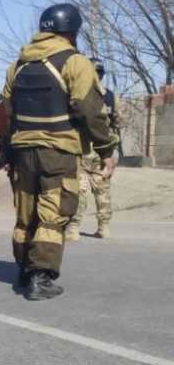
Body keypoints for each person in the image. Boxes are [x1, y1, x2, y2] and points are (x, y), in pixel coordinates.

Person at [0, 4, 118, 300]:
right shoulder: (76, 63)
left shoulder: (18, 65)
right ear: (72, 32)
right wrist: (106, 149)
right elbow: (90, 112)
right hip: (58, 151)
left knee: (26, 212)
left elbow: (4, 113)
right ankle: (41, 277)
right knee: (53, 212)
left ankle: (24, 269)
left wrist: (7, 153)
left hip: (23, 152)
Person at [66, 57, 122, 241]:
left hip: (80, 150)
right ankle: (103, 228)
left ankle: (73, 229)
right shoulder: (111, 97)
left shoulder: (76, 96)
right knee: (102, 190)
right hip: (102, 150)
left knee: (79, 189)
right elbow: (118, 122)